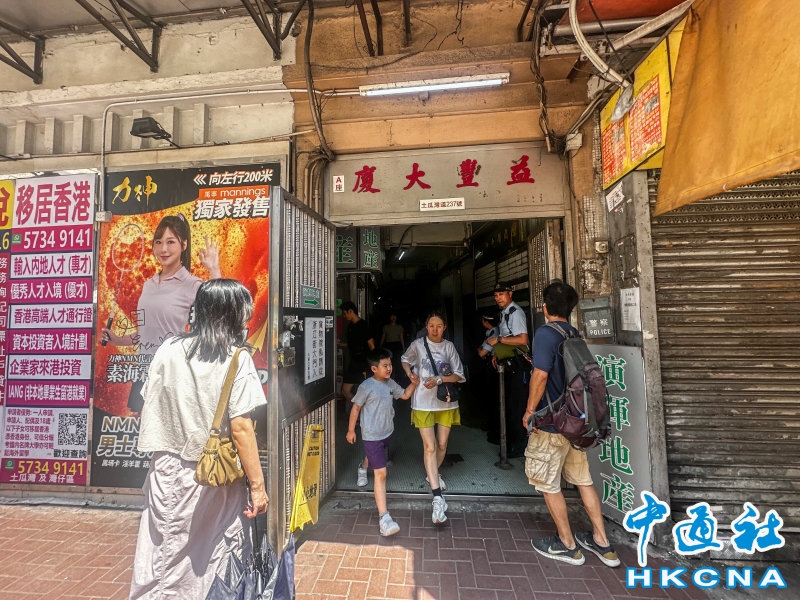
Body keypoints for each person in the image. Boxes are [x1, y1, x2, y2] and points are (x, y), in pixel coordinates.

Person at [129, 279, 269, 599]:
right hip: (215, 476)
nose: (247, 320)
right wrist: (258, 488)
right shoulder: (237, 359)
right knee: (217, 553)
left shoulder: (168, 349)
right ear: (232, 315)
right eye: (244, 313)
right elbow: (241, 429)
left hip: (166, 469)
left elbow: (150, 400)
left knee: (162, 554)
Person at [523, 281, 620, 568]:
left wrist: (529, 411)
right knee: (583, 480)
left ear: (544, 308)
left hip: (552, 424)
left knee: (548, 484)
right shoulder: (573, 333)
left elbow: (541, 375)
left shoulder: (544, 333)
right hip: (576, 422)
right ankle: (602, 542)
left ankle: (567, 545)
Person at [102, 214, 221, 412]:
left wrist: (214, 270)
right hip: (145, 371)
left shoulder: (192, 284)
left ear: (183, 245)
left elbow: (219, 311)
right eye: (158, 242)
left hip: (173, 375)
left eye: (170, 242)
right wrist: (117, 340)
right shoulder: (148, 285)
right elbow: (146, 333)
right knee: (142, 428)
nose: (163, 249)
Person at [346, 348, 419, 536]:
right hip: (371, 435)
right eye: (385, 366)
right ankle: (384, 518)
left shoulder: (390, 383)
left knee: (373, 458)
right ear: (374, 368)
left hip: (387, 432)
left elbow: (404, 395)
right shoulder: (366, 387)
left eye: (390, 365)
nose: (389, 368)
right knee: (381, 474)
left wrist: (414, 384)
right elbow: (355, 408)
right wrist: (351, 430)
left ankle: (362, 467)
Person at [401, 311, 465, 524]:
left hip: (445, 401)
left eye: (438, 326)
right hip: (422, 402)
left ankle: (432, 474)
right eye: (431, 326)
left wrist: (439, 379)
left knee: (442, 443)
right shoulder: (418, 345)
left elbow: (459, 375)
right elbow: (404, 359)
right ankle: (437, 496)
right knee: (430, 447)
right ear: (426, 326)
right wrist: (410, 373)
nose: (435, 330)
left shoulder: (449, 347)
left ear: (444, 327)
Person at [485, 282, 530, 458]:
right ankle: (508, 439)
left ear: (510, 294)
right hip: (508, 362)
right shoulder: (504, 313)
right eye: (496, 296)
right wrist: (498, 353)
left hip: (518, 364)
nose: (498, 298)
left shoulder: (515, 312)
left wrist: (498, 340)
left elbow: (522, 340)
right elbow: (508, 338)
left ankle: (519, 445)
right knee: (509, 404)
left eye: (501, 294)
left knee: (517, 405)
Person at [339, 301, 375, 404]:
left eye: (345, 313)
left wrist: (372, 364)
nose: (344, 316)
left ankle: (361, 411)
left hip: (363, 364)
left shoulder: (363, 325)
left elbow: (372, 345)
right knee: (345, 390)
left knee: (365, 392)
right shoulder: (350, 326)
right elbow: (352, 344)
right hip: (354, 363)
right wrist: (340, 344)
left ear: (351, 311)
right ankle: (359, 410)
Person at [476, 311, 500, 439]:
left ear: (486, 322)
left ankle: (496, 427)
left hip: (493, 367)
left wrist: (480, 349)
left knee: (494, 397)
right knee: (490, 397)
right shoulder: (490, 332)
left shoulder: (494, 333)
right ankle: (491, 424)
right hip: (488, 366)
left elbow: (482, 353)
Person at [380, 313, 406, 383]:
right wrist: (380, 346)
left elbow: (401, 338)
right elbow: (383, 337)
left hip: (397, 345)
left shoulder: (399, 327)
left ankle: (398, 379)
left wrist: (403, 347)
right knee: (389, 362)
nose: (393, 318)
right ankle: (389, 377)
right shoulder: (386, 327)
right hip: (389, 345)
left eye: (395, 316)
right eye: (392, 316)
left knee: (397, 362)